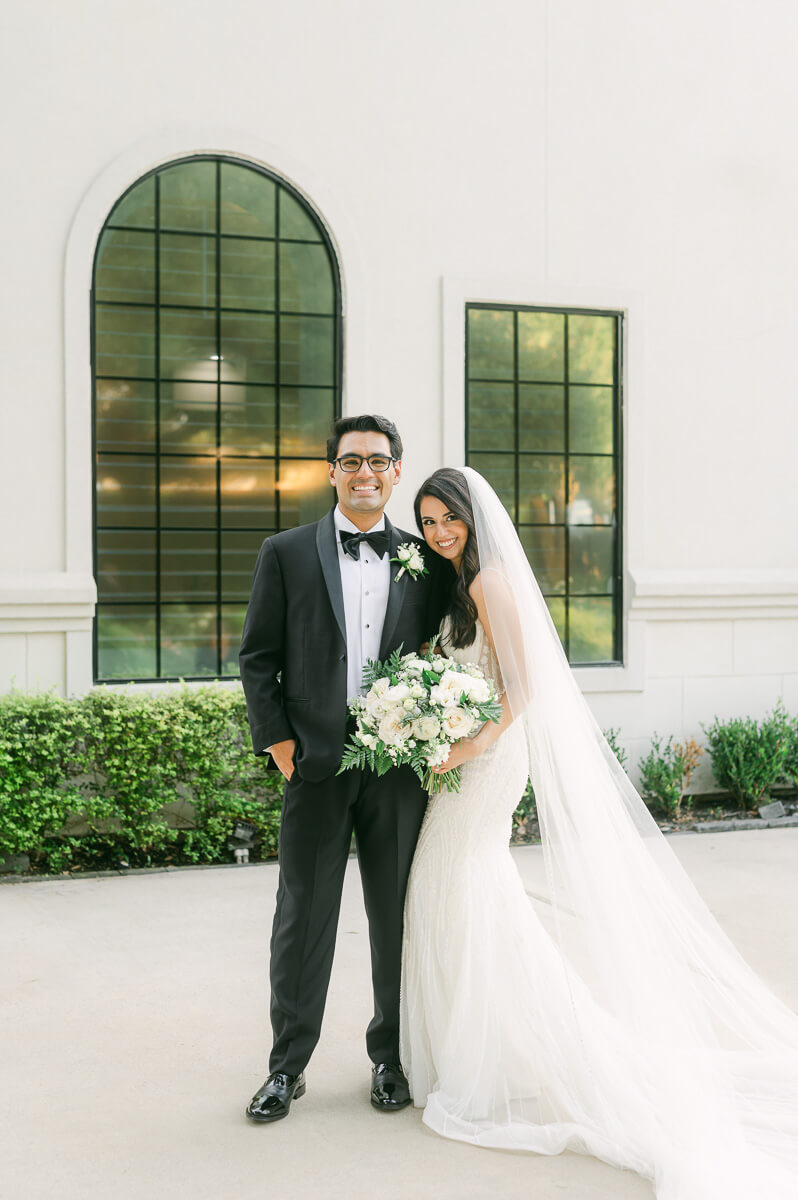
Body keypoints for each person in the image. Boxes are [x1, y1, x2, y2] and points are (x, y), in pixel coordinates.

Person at [400, 465, 798, 1199]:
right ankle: (486, 1046)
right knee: (457, 892)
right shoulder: (459, 587)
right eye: (426, 523)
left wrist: (462, 746)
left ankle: (494, 1054)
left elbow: (524, 686)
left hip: (487, 761)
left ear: (471, 517)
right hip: (466, 759)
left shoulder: (490, 584)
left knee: (458, 884)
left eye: (446, 518)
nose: (438, 533)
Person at [238, 414, 446, 1123]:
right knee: (303, 917)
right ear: (331, 471)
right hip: (316, 768)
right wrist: (281, 746)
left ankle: (390, 1058)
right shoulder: (287, 553)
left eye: (379, 461)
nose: (366, 472)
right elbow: (257, 658)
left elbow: (446, 653)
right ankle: (285, 1068)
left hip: (398, 772)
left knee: (395, 917)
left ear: (395, 471)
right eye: (351, 460)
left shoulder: (426, 561)